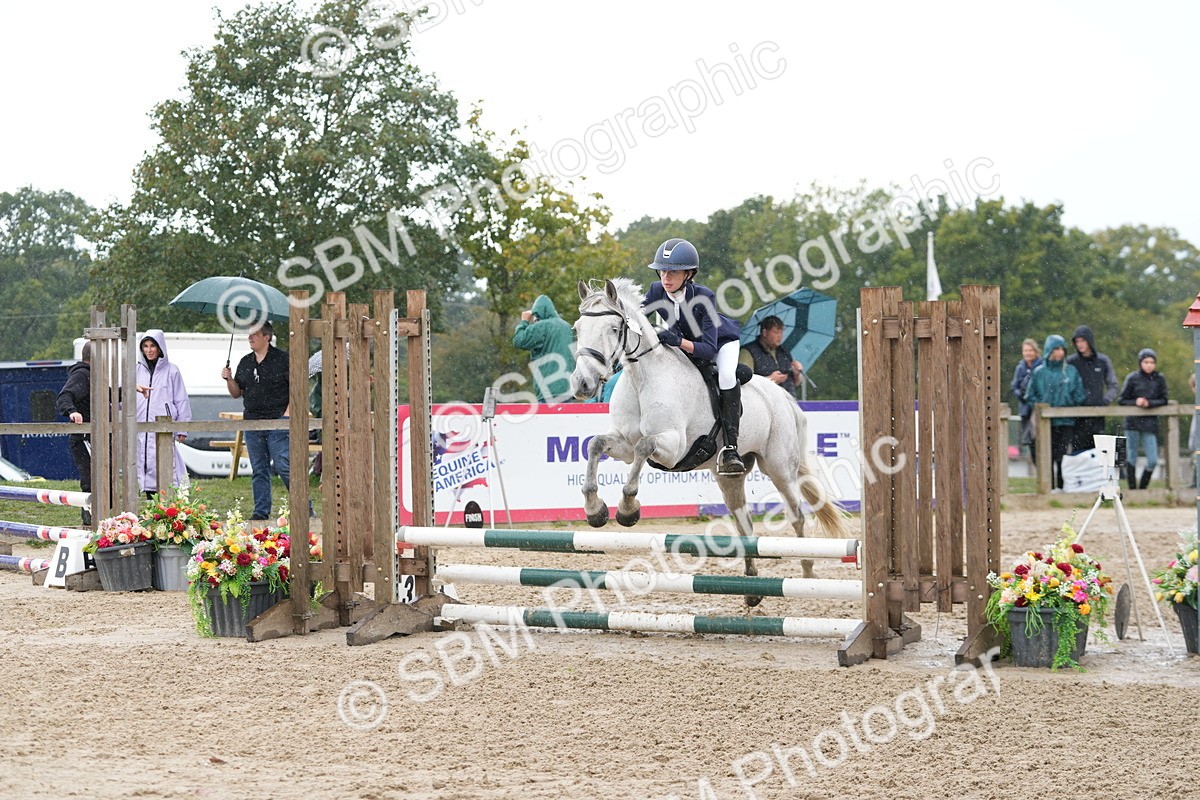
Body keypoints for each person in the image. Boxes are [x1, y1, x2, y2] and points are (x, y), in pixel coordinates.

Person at [642, 237, 745, 476]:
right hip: (689, 345)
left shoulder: (705, 296)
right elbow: (636, 319)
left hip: (721, 343)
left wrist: (677, 341)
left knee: (727, 376)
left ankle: (731, 448)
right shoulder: (656, 290)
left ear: (689, 274)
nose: (665, 278)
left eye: (673, 273)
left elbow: (708, 349)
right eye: (662, 272)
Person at [221, 322, 291, 520]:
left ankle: (305, 507)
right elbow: (237, 393)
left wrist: (287, 415)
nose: (250, 337)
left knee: (283, 465)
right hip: (252, 422)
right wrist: (229, 379)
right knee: (259, 469)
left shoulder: (283, 359)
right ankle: (261, 512)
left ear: (266, 337)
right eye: (249, 334)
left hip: (278, 421)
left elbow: (297, 388)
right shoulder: (245, 362)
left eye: (254, 334)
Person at [1025, 335, 1085, 491]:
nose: (1060, 352)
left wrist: (1068, 403)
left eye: (1062, 349)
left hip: (1066, 422)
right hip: (1046, 423)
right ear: (1049, 350)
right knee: (1047, 456)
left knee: (1063, 456)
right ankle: (1048, 488)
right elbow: (1029, 396)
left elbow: (1080, 395)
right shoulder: (1039, 372)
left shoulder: (1071, 372)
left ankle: (1062, 487)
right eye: (1056, 348)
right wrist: (1042, 406)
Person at [135, 330, 192, 497]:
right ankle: (151, 503)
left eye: (153, 345)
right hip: (141, 428)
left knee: (167, 466)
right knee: (144, 464)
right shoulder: (135, 370)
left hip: (164, 428)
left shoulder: (172, 371)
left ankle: (170, 505)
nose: (149, 350)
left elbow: (181, 399)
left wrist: (182, 427)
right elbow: (125, 397)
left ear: (160, 348)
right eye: (145, 346)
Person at [1117, 348, 1168, 490]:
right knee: (1131, 457)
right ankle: (1132, 490)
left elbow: (1164, 399)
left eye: (1152, 362)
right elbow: (1121, 400)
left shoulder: (1159, 379)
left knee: (1152, 460)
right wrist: (1136, 402)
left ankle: (1143, 488)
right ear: (1140, 363)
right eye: (1146, 362)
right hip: (1132, 423)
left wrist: (1149, 403)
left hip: (1149, 424)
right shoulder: (1132, 378)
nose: (1149, 365)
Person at [512, 295, 576, 404]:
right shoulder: (567, 327)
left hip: (548, 391)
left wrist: (524, 321)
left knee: (547, 420)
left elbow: (518, 341)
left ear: (538, 313)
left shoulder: (542, 326)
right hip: (568, 390)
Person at [55, 342, 92, 526]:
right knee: (90, 479)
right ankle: (88, 517)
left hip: (93, 436)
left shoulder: (92, 375)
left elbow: (108, 394)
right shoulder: (82, 375)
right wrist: (71, 411)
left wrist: (131, 389)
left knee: (99, 479)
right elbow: (64, 397)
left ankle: (96, 516)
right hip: (84, 437)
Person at [1065, 325, 1117, 451]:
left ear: (1089, 341)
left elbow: (1113, 384)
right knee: (1078, 454)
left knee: (1100, 453)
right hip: (1077, 416)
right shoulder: (1071, 362)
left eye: (1082, 340)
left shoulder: (1103, 361)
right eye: (1077, 341)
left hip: (1098, 415)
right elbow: (1065, 386)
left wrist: (1105, 401)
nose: (1080, 344)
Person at [741, 315, 803, 397]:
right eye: (776, 332)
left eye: (781, 332)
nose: (780, 336)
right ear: (765, 333)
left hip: (789, 404)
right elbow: (745, 382)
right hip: (765, 404)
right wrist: (769, 380)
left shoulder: (784, 352)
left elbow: (795, 383)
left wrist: (797, 374)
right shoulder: (748, 352)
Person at [1010, 337, 1043, 466]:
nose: (1028, 353)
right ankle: (1037, 469)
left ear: (1036, 351)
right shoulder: (1020, 368)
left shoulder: (1041, 365)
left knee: (1041, 438)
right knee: (1030, 441)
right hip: (1025, 409)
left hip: (1038, 407)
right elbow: (1014, 387)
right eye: (1025, 350)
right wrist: (1024, 397)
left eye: (1030, 350)